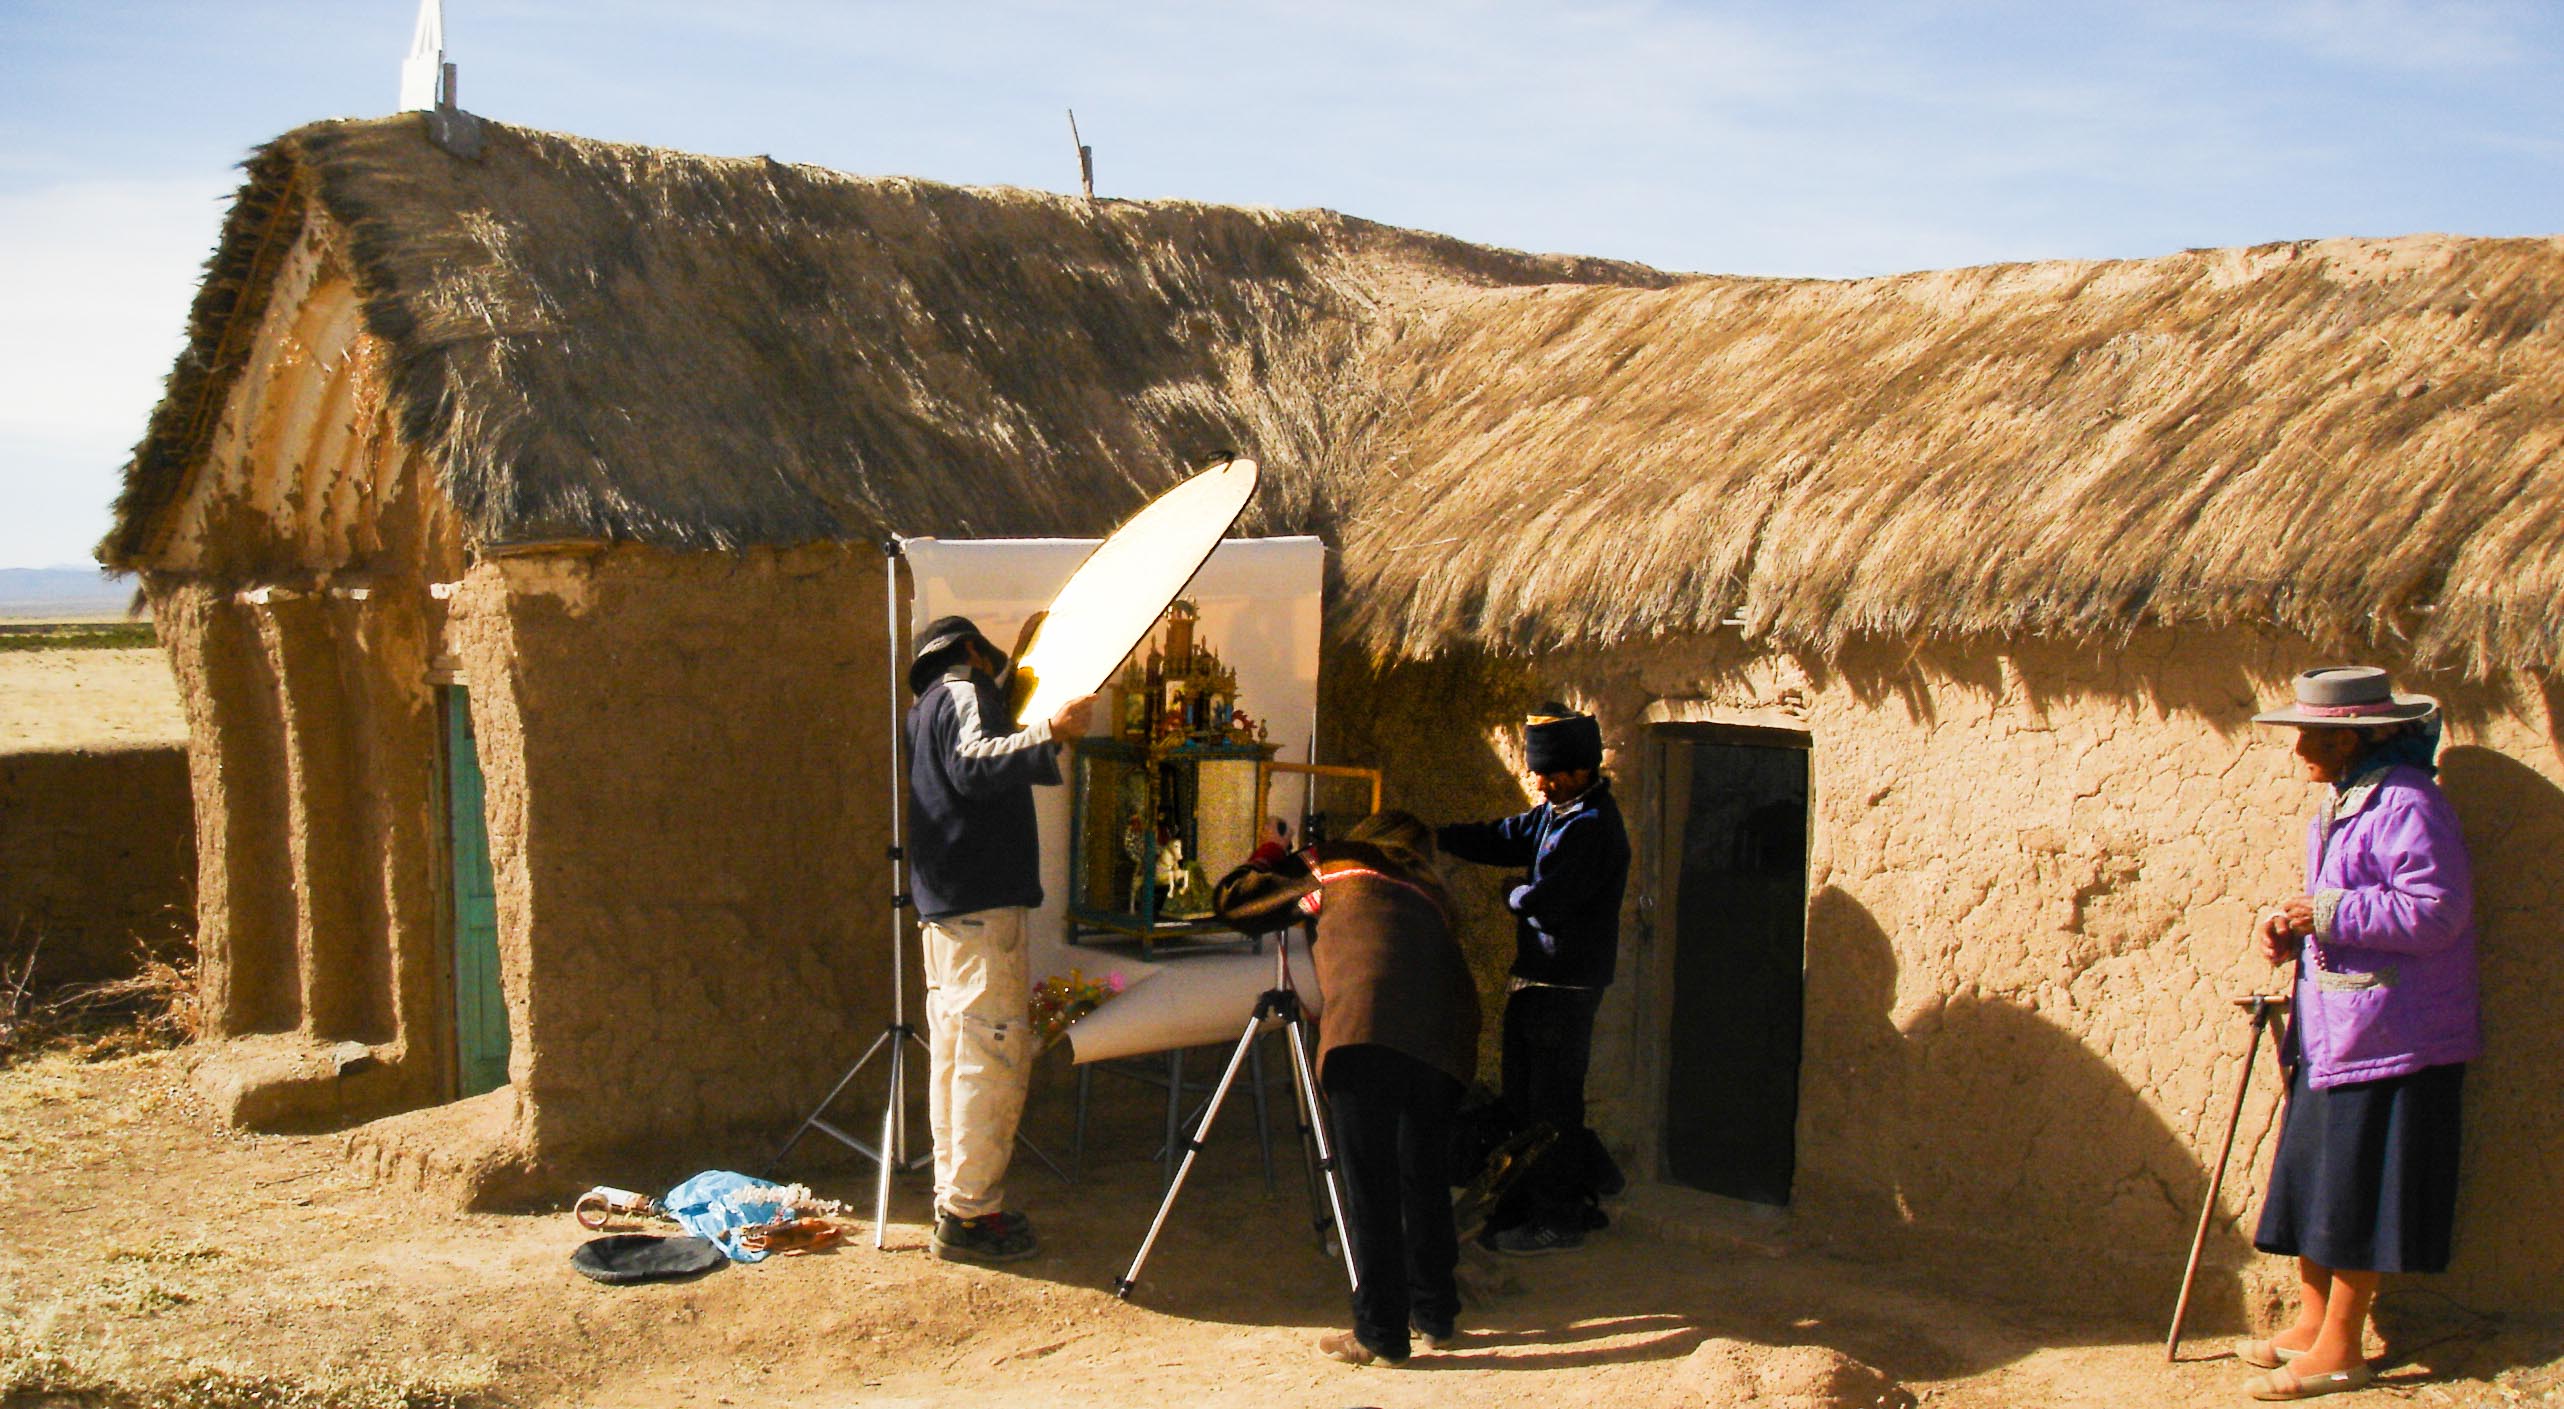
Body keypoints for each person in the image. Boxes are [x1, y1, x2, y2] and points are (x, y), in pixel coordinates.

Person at [2241, 665, 2480, 1402]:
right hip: (2339, 1032)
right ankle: (2315, 1324)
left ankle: (2344, 1347)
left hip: (2394, 1036)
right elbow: (2341, 907)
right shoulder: (2347, 804)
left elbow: (2437, 911)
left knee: (2356, 1194)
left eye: (2312, 734)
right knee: (2318, 1183)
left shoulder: (2410, 804)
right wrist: (2293, 928)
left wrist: (2333, 913)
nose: (2299, 749)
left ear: (2353, 737)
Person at [1214, 810, 1481, 1367]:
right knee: (1423, 1176)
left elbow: (1236, 903)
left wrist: (1270, 850)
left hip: (1370, 1025)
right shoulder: (1430, 891)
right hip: (1449, 1033)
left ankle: (1381, 1334)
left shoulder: (1331, 863)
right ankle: (1435, 1317)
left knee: (1372, 1185)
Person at [904, 614, 1093, 1264]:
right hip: (982, 910)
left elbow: (974, 742)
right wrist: (1051, 731)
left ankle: (956, 1202)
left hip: (949, 912)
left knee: (958, 1059)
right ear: (967, 652)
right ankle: (973, 1216)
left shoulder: (925, 708)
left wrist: (1016, 677)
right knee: (993, 1059)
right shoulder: (963, 690)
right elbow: (975, 761)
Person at [1437, 703, 1631, 1255]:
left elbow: (1548, 906)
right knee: (1526, 1104)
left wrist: (1512, 894)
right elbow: (1505, 836)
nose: (1539, 783)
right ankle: (1584, 1185)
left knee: (1550, 1110)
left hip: (1564, 991)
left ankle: (1558, 1219)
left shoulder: (1592, 828)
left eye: (1549, 773)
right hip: (1537, 983)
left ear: (1579, 770)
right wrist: (1441, 838)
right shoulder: (1557, 813)